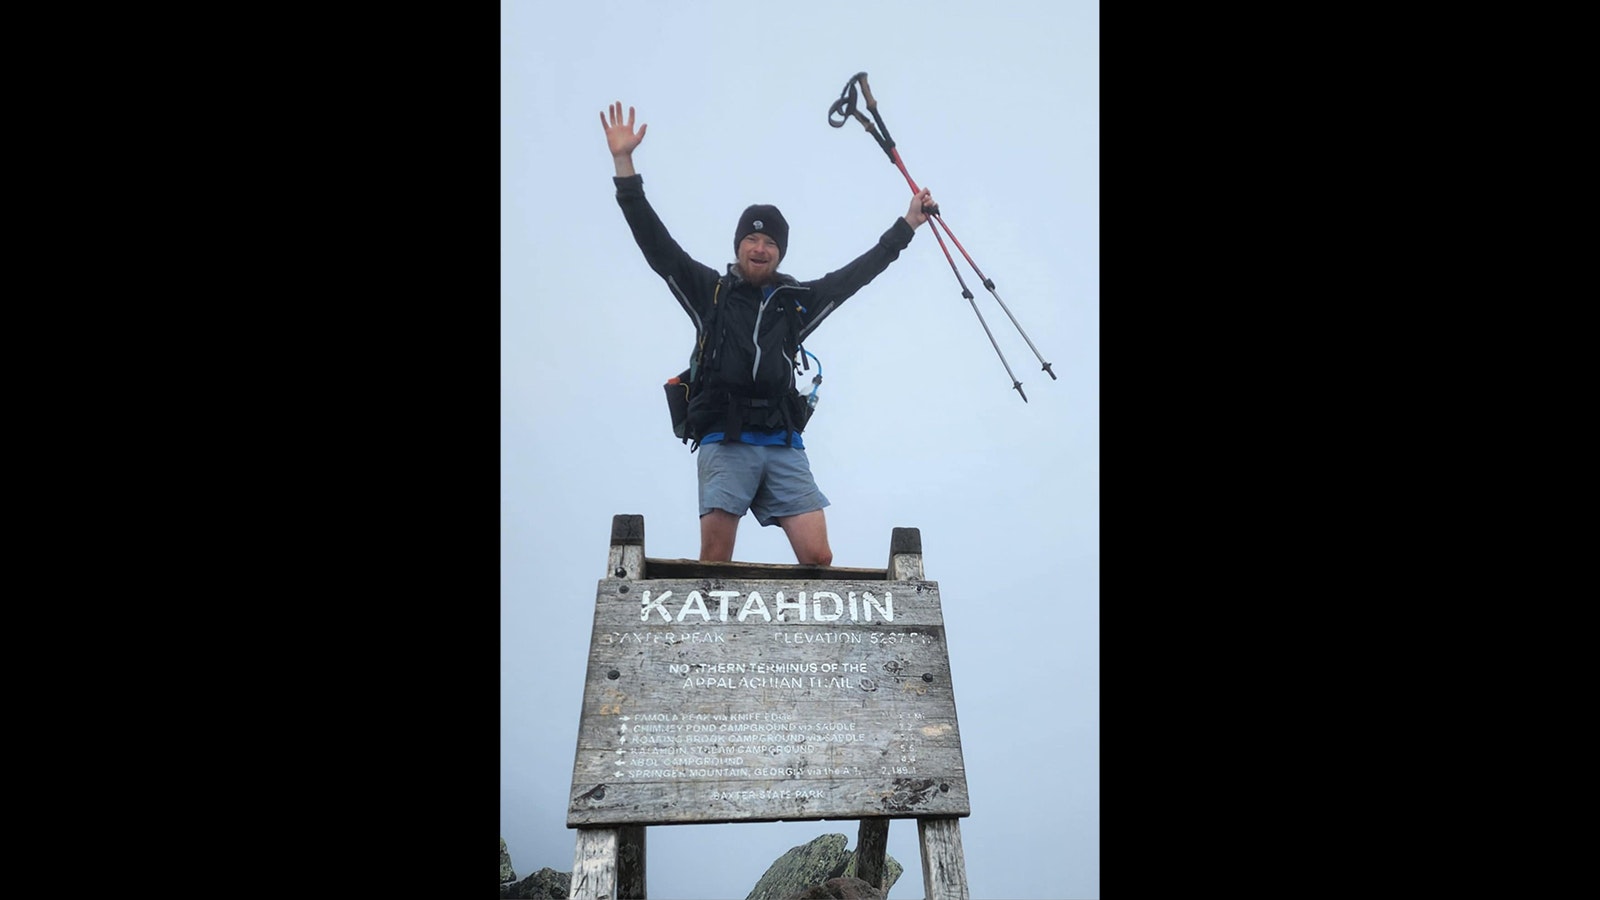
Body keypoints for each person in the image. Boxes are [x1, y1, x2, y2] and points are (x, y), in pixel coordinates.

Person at [600, 101, 934, 566]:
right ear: (738, 246)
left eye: (771, 242)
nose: (760, 248)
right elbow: (657, 245)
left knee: (818, 557)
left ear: (780, 253)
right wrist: (624, 165)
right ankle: (713, 637)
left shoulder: (797, 302)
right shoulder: (710, 293)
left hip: (782, 441)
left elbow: (856, 275)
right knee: (715, 561)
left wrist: (909, 224)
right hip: (724, 438)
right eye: (752, 240)